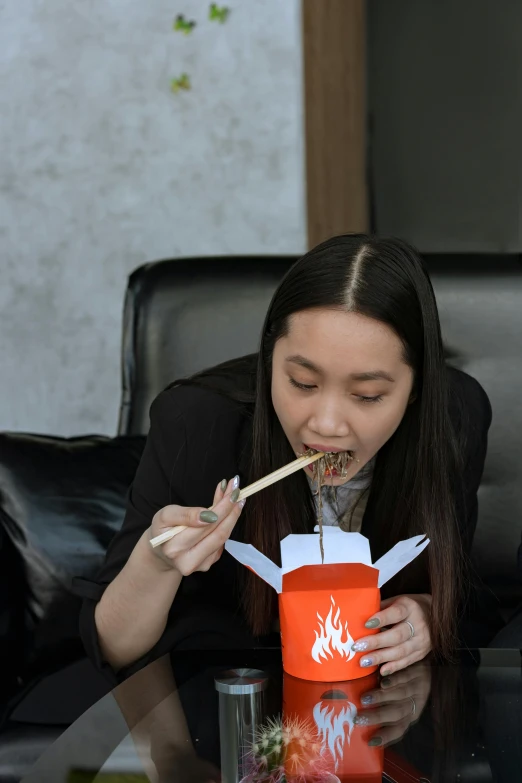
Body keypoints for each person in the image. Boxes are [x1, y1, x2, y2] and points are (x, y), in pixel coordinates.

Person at [76, 234, 502, 687]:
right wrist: (156, 563)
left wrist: (429, 615)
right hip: (222, 705)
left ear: (415, 388)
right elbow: (114, 649)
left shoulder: (454, 416)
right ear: (269, 360)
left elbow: (458, 592)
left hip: (385, 710)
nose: (327, 424)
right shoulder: (197, 423)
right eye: (302, 383)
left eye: (367, 395)